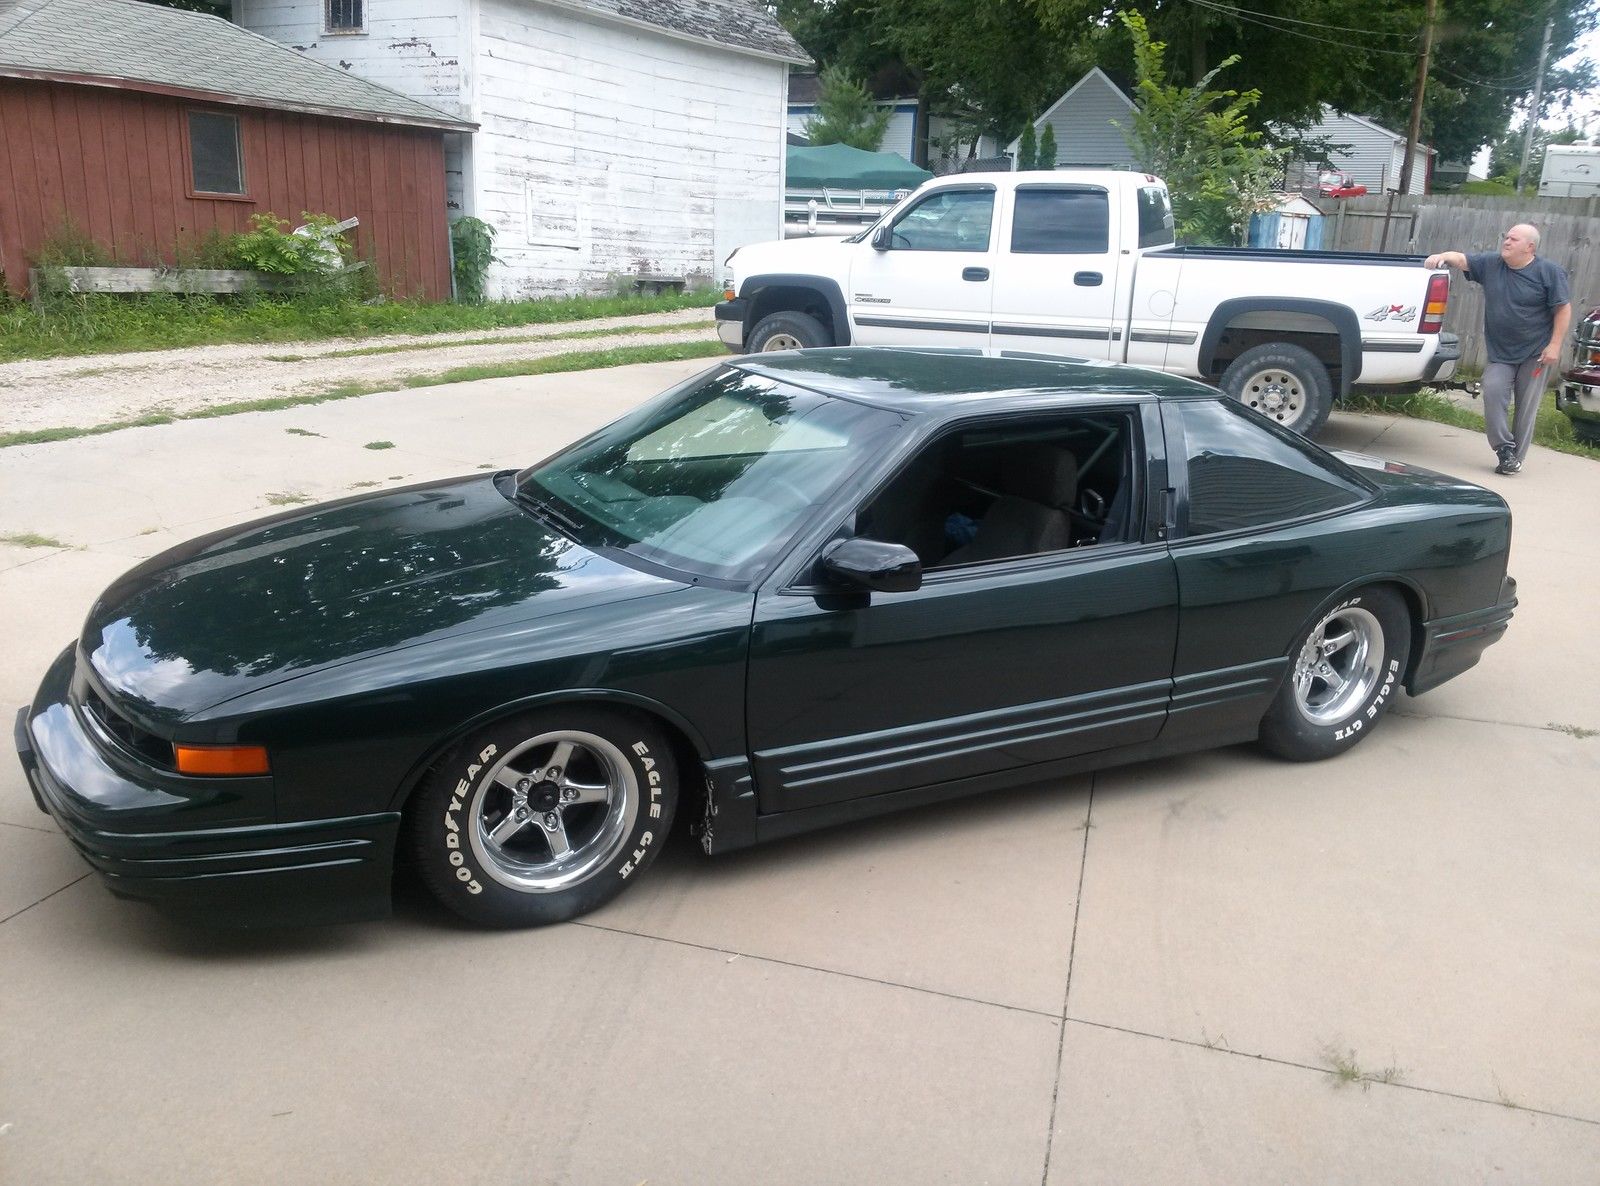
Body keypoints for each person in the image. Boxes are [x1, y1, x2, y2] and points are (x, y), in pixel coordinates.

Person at [1424, 226, 1571, 475]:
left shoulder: (1548, 272)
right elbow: (1462, 260)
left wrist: (1555, 345)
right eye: (1506, 237)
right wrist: (1442, 256)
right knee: (1492, 391)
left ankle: (1514, 459)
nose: (1507, 241)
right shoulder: (1492, 264)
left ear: (1530, 247)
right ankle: (1504, 447)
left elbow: (1563, 309)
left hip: (1536, 351)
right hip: (1501, 351)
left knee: (1526, 407)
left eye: (1514, 239)